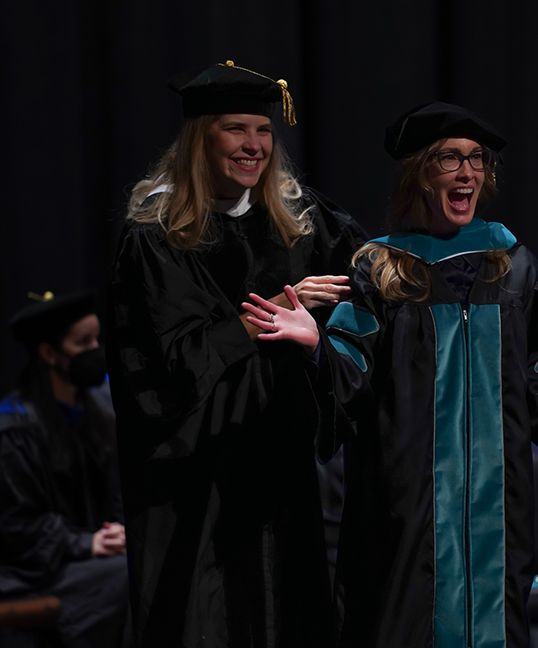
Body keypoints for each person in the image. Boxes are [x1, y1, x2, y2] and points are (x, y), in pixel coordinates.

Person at [242, 102, 538, 648]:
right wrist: (317, 344)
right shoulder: (380, 269)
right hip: (404, 519)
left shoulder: (514, 268)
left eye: (477, 160)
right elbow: (349, 384)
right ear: (420, 173)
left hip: (496, 519)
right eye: (449, 160)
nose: (467, 173)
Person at [106, 61, 366, 647]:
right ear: (202, 138)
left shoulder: (302, 221)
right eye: (235, 129)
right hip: (196, 484)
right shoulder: (157, 235)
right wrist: (261, 315)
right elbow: (160, 366)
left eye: (263, 130)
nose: (254, 145)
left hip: (281, 465)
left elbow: (370, 282)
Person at [0, 290, 128, 648]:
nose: (95, 349)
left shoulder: (99, 412)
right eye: (82, 342)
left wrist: (117, 531)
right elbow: (17, 526)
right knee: (127, 577)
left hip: (85, 558)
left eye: (97, 339)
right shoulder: (15, 429)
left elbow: (116, 489)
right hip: (32, 571)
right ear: (48, 353)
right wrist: (85, 543)